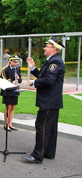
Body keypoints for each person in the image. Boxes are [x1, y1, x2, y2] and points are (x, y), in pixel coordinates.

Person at [22, 36, 65, 164]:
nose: (44, 48)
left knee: (42, 127)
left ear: (53, 48)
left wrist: (33, 82)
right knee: (50, 128)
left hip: (48, 101)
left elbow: (48, 80)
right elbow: (44, 75)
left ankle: (37, 155)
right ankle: (48, 153)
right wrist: (33, 68)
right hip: (52, 101)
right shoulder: (53, 60)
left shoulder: (55, 62)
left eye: (46, 46)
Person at [0, 56, 22, 132]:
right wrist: (10, 82)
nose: (16, 64)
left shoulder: (17, 69)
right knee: (8, 108)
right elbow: (2, 80)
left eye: (16, 62)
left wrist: (18, 78)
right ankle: (5, 124)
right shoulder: (5, 70)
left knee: (13, 108)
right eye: (14, 62)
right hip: (7, 91)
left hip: (15, 90)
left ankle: (10, 124)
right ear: (10, 61)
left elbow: (20, 80)